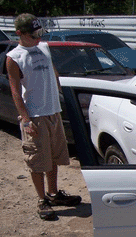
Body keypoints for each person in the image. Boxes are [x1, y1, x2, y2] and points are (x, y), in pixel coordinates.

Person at [7, 13, 81, 221]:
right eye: (34, 35)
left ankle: (54, 193)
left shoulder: (44, 48)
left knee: (53, 157)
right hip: (35, 116)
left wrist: (62, 96)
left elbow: (54, 74)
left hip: (53, 112)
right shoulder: (14, 57)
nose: (38, 38)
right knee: (37, 160)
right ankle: (42, 200)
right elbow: (14, 91)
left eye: (40, 33)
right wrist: (25, 119)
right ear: (20, 34)